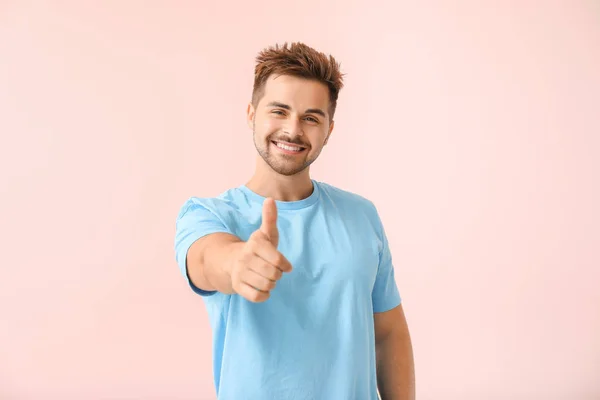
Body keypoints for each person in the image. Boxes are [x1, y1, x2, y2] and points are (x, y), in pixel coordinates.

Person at [174, 42, 415, 400]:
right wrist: (238, 263)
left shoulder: (362, 215)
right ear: (251, 114)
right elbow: (208, 260)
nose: (292, 129)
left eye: (311, 117)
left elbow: (388, 332)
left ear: (329, 130)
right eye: (279, 111)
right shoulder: (209, 215)